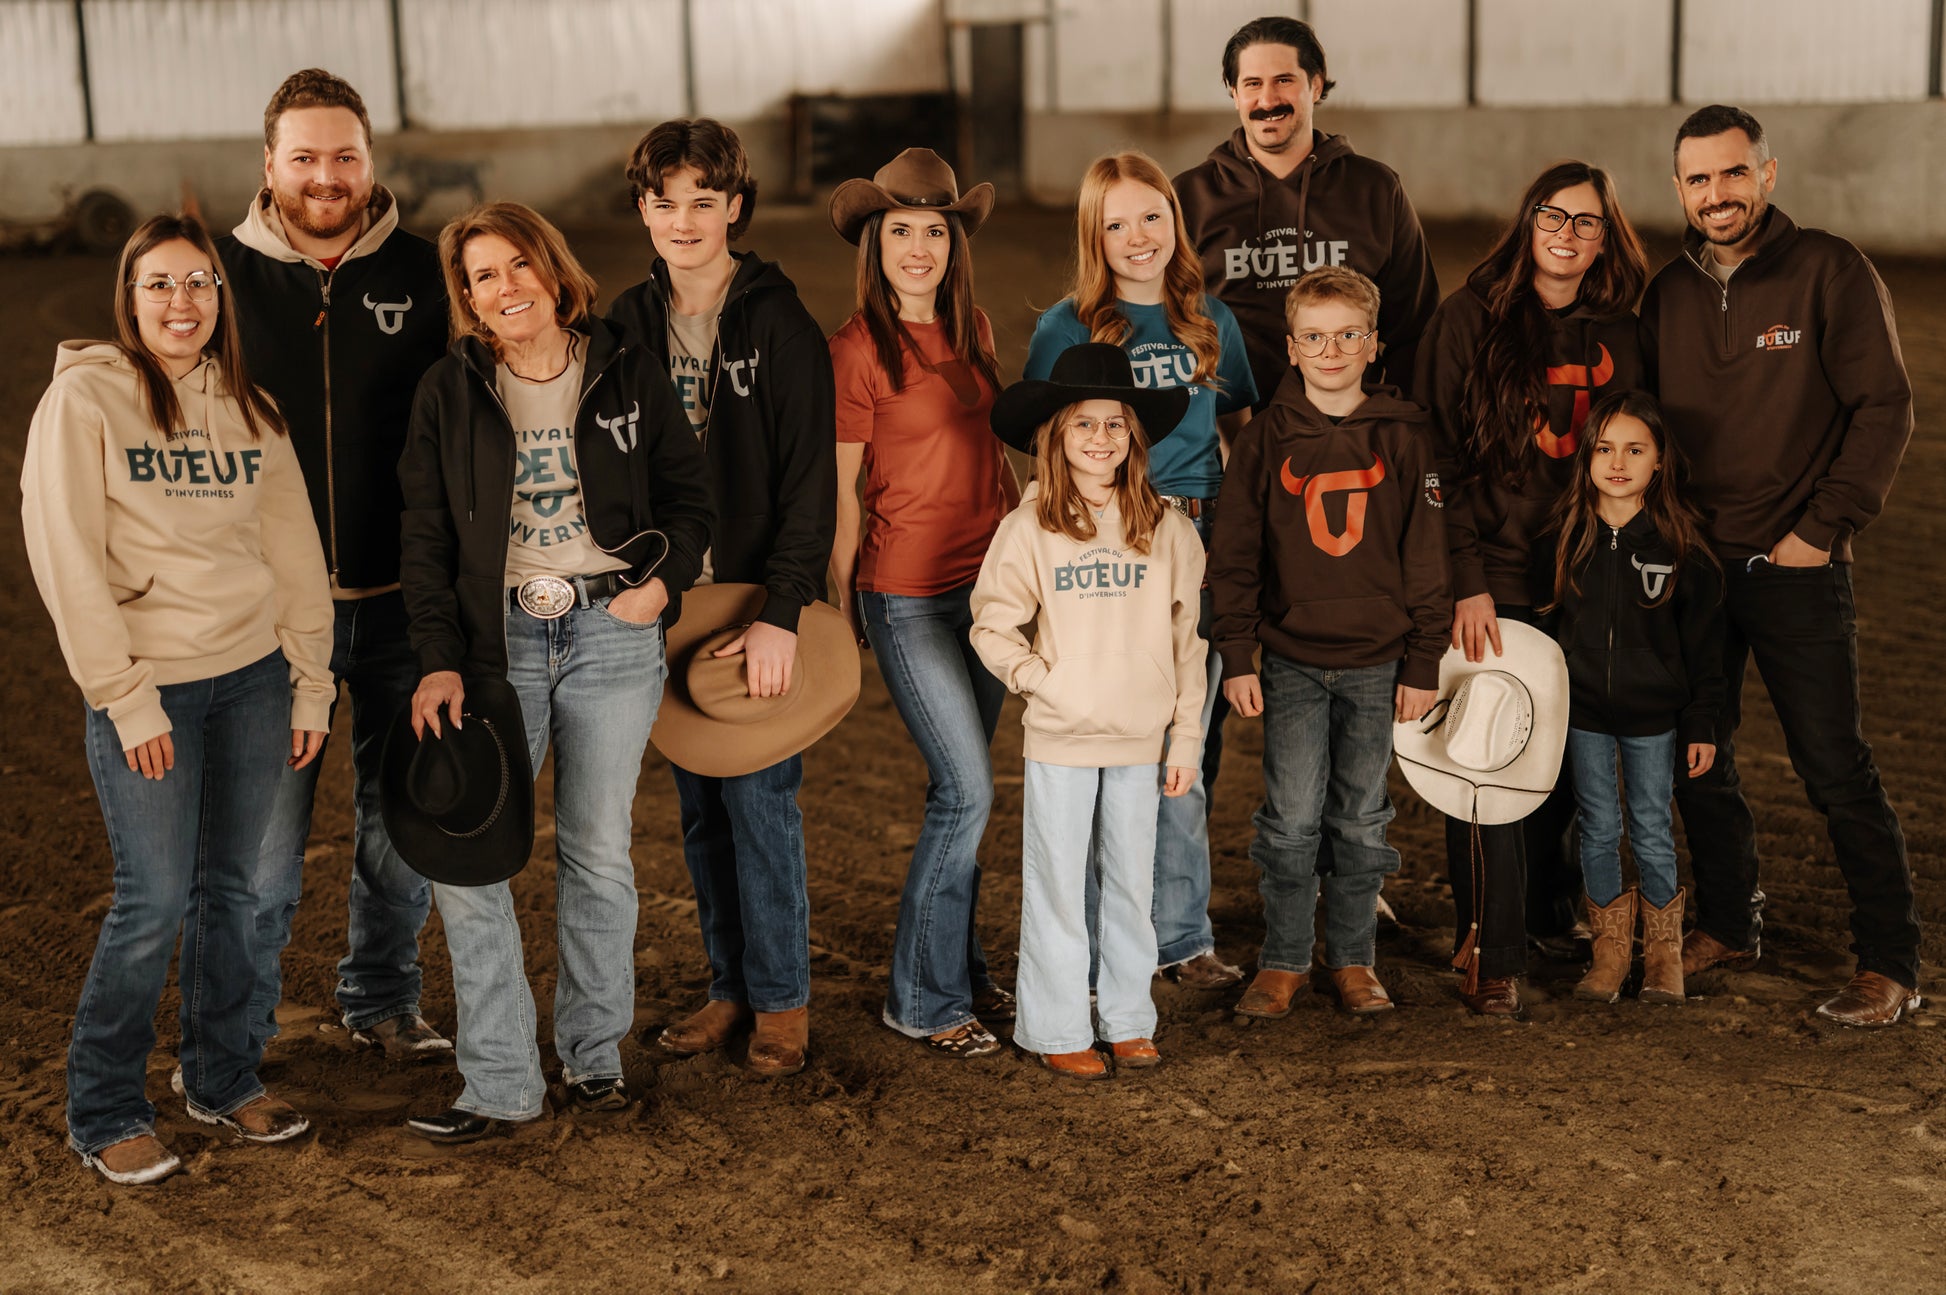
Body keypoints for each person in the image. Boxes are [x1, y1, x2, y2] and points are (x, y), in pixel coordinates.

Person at [23, 213, 334, 1183]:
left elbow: (294, 557)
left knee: (240, 896)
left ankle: (222, 1075)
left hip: (253, 680)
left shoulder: (252, 410)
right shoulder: (86, 401)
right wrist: (125, 696)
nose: (182, 301)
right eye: (160, 283)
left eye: (199, 283)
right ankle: (105, 1104)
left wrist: (311, 682)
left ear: (219, 299)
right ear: (130, 297)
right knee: (153, 899)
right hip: (150, 685)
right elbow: (66, 555)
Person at [395, 203, 713, 1141]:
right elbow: (424, 540)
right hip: (496, 644)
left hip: (612, 630)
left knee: (598, 852)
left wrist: (659, 588)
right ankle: (497, 1079)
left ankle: (594, 1058)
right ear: (466, 297)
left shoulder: (624, 370)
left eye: (518, 265)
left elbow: (690, 499)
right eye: (483, 276)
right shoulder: (449, 393)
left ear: (552, 268)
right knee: (465, 853)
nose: (505, 287)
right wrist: (439, 660)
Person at [1642, 105, 1922, 1026]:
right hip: (1698, 569)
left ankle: (1890, 962)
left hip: (1795, 566)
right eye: (1697, 180)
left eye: (1732, 174)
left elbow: (1883, 406)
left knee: (1833, 765)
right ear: (1679, 187)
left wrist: (1820, 530)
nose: (1715, 195)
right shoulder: (1667, 292)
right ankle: (1730, 921)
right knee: (1698, 756)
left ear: (1767, 173)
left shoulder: (1829, 269)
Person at [217, 69, 452, 1062]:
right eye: (304, 156)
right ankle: (234, 1030)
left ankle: (383, 998)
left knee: (401, 830)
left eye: (344, 155)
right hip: (271, 619)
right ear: (268, 163)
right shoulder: (214, 278)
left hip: (405, 606)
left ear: (372, 161)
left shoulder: (430, 271)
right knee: (262, 851)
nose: (326, 175)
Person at [607, 118, 836, 1077]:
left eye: (705, 200)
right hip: (664, 604)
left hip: (751, 600)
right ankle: (726, 985)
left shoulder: (779, 323)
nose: (686, 219)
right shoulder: (622, 324)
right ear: (645, 212)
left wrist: (782, 609)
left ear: (736, 207)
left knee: (759, 802)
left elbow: (807, 483)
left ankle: (781, 998)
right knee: (699, 808)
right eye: (667, 202)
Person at [1414, 161, 1649, 1013]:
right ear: (1528, 221)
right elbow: (1436, 462)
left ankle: (1549, 914)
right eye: (1555, 215)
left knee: (1561, 754)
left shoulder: (1622, 330)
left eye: (1588, 222)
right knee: (1489, 754)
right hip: (1494, 576)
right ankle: (1491, 946)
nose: (1568, 233)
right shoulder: (1468, 320)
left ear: (1605, 236)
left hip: (1585, 574)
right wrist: (1465, 579)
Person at [1024, 151, 1257, 992]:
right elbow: (1049, 441)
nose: (1136, 236)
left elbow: (1241, 429)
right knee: (1104, 740)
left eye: (1150, 216)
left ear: (1174, 221)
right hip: (1108, 547)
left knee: (1188, 747)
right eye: (1115, 222)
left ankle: (1179, 935)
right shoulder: (1068, 326)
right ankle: (1096, 935)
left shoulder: (1211, 322)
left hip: (1196, 538)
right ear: (1095, 234)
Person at [1209, 267, 1450, 1019]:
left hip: (1380, 661)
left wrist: (1423, 657)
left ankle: (1352, 956)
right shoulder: (1265, 439)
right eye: (1315, 337)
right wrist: (1239, 650)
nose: (1333, 349)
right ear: (1291, 347)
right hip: (1293, 662)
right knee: (1290, 819)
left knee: (1361, 818)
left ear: (1375, 343)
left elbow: (1427, 552)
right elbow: (1237, 552)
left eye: (1349, 334)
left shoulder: (1407, 435)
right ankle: (1283, 958)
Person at [827, 149, 1021, 1057]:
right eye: (900, 230)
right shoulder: (857, 348)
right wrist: (839, 604)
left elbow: (993, 455)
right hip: (905, 596)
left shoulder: (973, 323)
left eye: (933, 231)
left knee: (966, 796)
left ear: (953, 243)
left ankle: (965, 971)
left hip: (989, 594)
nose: (917, 246)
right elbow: (841, 494)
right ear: (876, 242)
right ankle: (922, 998)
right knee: (966, 790)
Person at [972, 344, 1205, 1079]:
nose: (1101, 439)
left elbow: (1190, 641)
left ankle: (1130, 1017)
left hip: (1141, 738)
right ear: (1057, 435)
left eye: (1115, 425)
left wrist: (1186, 738)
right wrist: (1042, 680)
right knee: (1058, 883)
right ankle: (1055, 1023)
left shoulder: (1168, 527)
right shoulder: (1030, 525)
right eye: (1084, 426)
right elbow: (990, 624)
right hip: (1062, 734)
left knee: (1134, 885)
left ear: (1134, 436)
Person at [1536, 391, 1724, 1005]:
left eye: (1635, 449)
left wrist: (1701, 722)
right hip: (1584, 713)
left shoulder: (1681, 546)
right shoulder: (1563, 537)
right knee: (1597, 825)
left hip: (1654, 717)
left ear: (1660, 461)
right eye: (1605, 448)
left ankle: (1662, 958)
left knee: (1649, 826)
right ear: (1586, 456)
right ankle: (1608, 954)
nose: (1618, 462)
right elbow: (1545, 634)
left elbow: (1704, 650)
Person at [1174, 15, 1439, 407]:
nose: (1267, 101)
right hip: (1234, 438)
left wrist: (1395, 425)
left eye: (1284, 80)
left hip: (1350, 432)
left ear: (1315, 85)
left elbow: (1416, 331)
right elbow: (1166, 330)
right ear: (1233, 92)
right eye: (1252, 84)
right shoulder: (1189, 198)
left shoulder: (1376, 190)